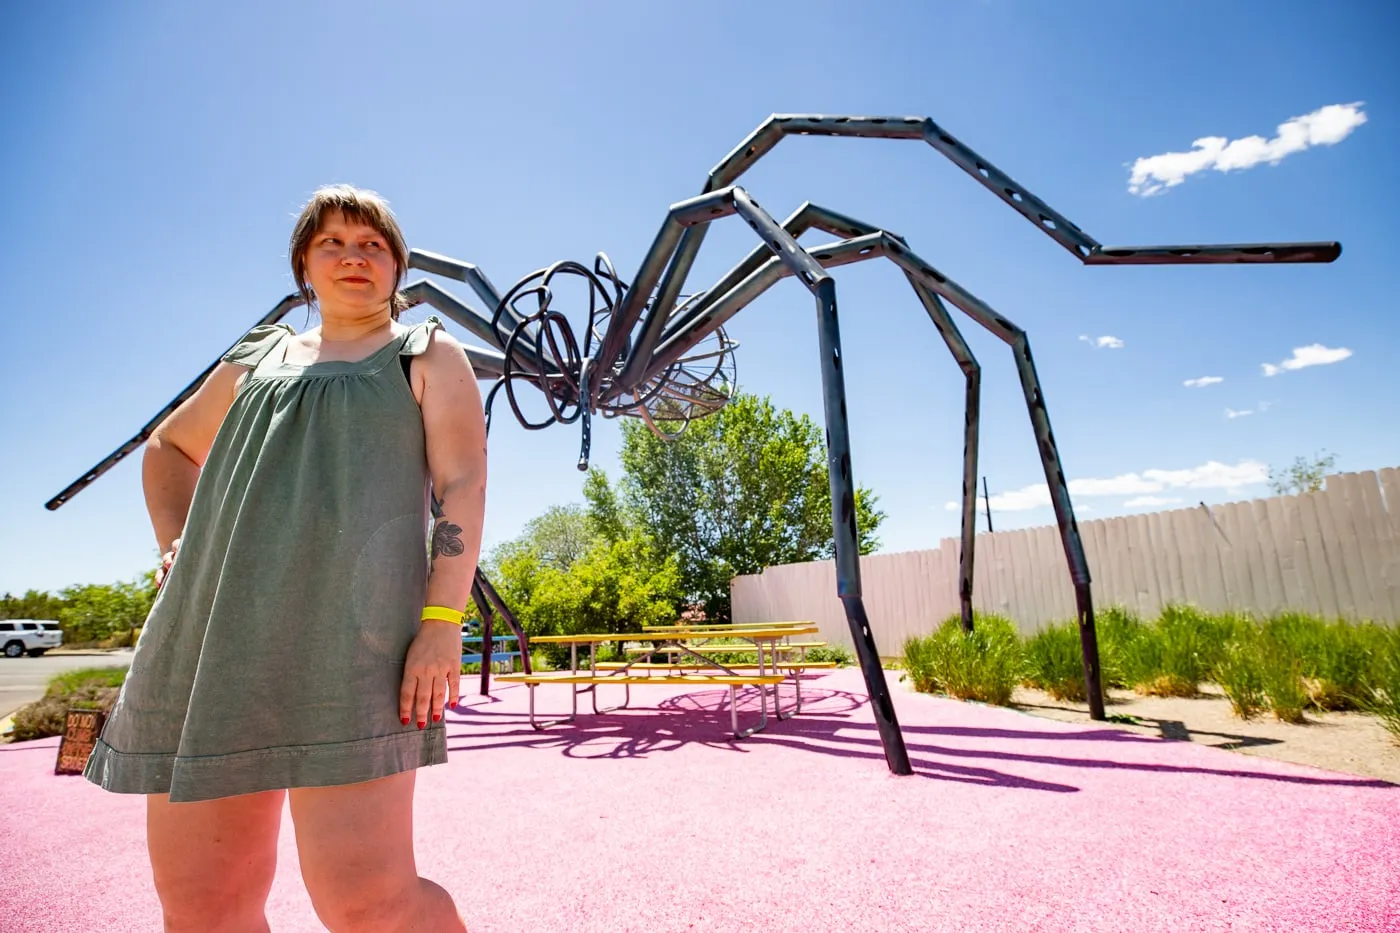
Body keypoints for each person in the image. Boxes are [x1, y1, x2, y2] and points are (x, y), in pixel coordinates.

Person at [83, 184, 485, 932]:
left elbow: (461, 486)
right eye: (332, 242)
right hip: (208, 647)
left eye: (372, 243)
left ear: (397, 266)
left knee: (368, 903)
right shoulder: (253, 361)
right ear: (304, 263)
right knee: (205, 905)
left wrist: (441, 619)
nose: (353, 255)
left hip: (352, 654)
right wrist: (174, 540)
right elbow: (168, 447)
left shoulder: (425, 355)